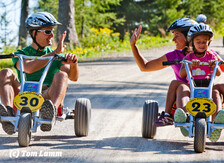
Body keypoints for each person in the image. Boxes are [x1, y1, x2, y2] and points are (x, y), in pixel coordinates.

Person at [0, 12, 79, 134]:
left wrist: (73, 64)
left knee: (62, 75)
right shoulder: (21, 53)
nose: (52, 35)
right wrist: (55, 53)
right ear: (34, 33)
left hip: (46, 95)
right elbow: (29, 68)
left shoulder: (56, 55)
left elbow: (73, 77)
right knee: (5, 72)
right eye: (47, 32)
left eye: (52, 31)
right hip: (23, 93)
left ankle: (50, 111)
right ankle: (8, 114)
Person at [130, 18, 197, 126]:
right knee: (180, 86)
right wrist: (133, 46)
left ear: (189, 36)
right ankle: (183, 117)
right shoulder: (174, 56)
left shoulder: (205, 54)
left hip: (204, 92)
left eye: (177, 35)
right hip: (183, 93)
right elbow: (145, 67)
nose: (173, 39)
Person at [175, 23, 224, 142]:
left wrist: (214, 64)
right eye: (198, 41)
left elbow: (218, 73)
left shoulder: (212, 55)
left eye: (205, 41)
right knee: (182, 88)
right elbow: (181, 74)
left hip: (208, 86)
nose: (202, 44)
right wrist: (190, 66)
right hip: (193, 86)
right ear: (192, 42)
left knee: (216, 90)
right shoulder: (189, 57)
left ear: (209, 42)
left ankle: (216, 121)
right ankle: (185, 118)